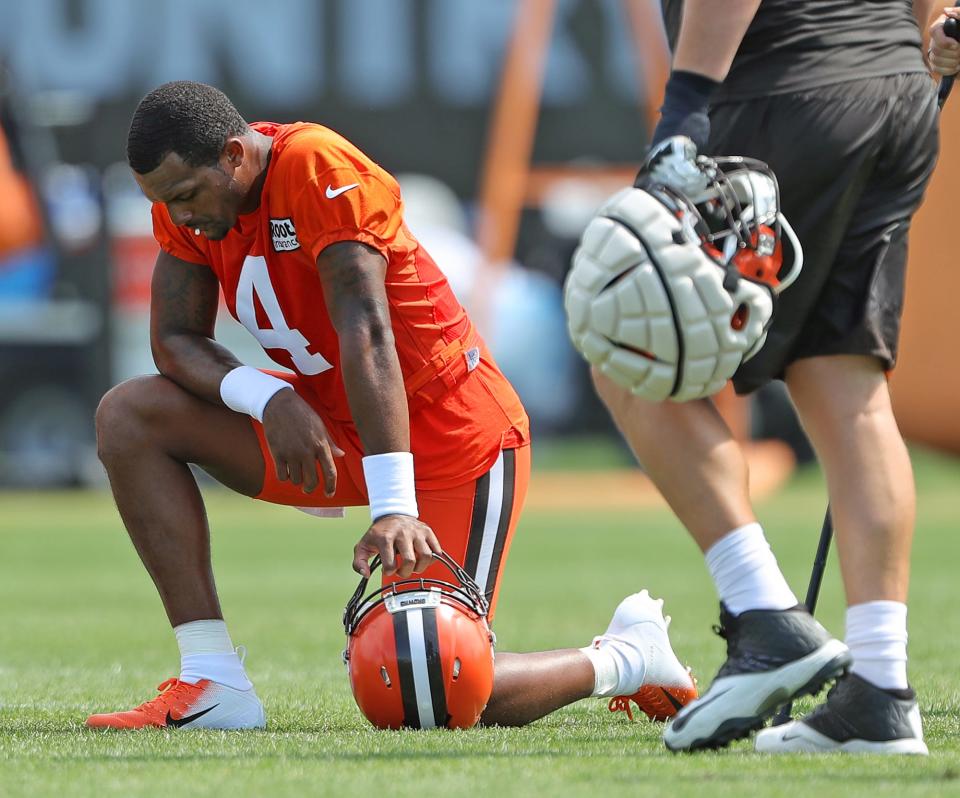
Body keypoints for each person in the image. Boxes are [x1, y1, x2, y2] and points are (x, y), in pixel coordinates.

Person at [85, 81, 697, 730]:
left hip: (446, 434)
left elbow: (367, 329)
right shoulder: (190, 203)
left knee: (435, 686)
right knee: (130, 416)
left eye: (185, 197)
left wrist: (393, 506)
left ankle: (627, 656)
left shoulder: (317, 167)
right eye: (164, 203)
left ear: (235, 155)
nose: (179, 218)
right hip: (321, 423)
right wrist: (270, 398)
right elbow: (175, 340)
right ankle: (213, 681)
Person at [591, 0, 940, 754]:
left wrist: (684, 106)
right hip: (894, 86)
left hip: (783, 86)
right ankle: (879, 693)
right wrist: (922, 32)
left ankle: (767, 618)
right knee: (844, 385)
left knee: (623, 346)